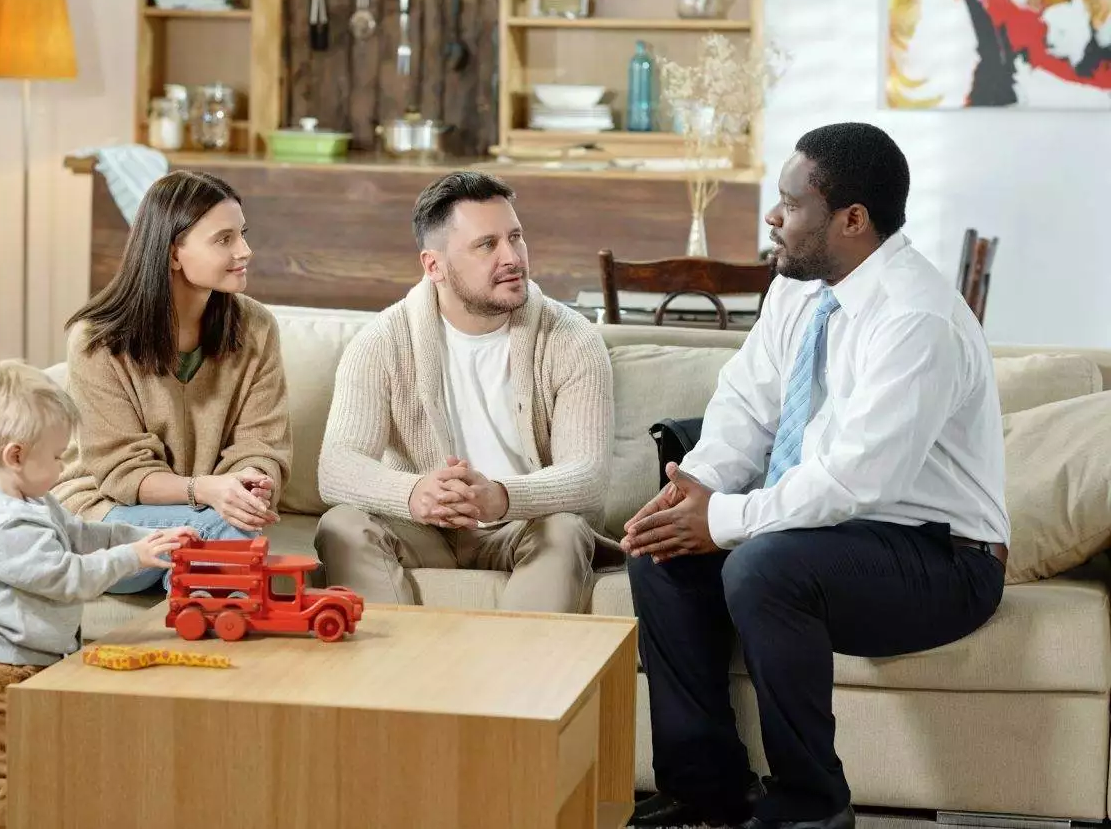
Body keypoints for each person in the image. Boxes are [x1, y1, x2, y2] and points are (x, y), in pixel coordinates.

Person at [624, 123, 1009, 829]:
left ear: (852, 220)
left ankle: (811, 807)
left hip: (944, 559)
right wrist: (691, 497)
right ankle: (705, 794)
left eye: (790, 203)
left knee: (764, 567)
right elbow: (748, 405)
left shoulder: (916, 319)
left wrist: (724, 521)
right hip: (831, 537)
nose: (772, 217)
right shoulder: (799, 290)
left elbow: (856, 481)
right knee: (662, 556)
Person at [314, 170, 616, 613]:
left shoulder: (572, 339)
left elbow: (588, 475)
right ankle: (391, 673)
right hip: (426, 529)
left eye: (516, 237)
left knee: (566, 530)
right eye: (486, 245)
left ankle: (519, 678)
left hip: (523, 525)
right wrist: (414, 493)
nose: (512, 257)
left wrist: (501, 495)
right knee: (340, 525)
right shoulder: (381, 341)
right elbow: (335, 467)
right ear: (433, 265)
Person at [0, 360, 190, 829]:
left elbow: (82, 535)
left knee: (57, 769)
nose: (65, 467)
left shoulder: (34, 499)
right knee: (23, 779)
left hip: (33, 662)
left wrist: (143, 537)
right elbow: (67, 577)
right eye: (58, 456)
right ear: (15, 456)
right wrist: (133, 559)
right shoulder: (2, 523)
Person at [53, 170, 292, 593]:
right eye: (224, 239)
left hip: (205, 511)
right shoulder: (97, 340)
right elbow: (121, 472)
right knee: (222, 534)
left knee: (224, 533)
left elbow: (261, 443)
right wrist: (207, 491)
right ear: (173, 253)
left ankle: (197, 625)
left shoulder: (256, 328)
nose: (245, 251)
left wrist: (249, 483)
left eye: (243, 234)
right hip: (106, 518)